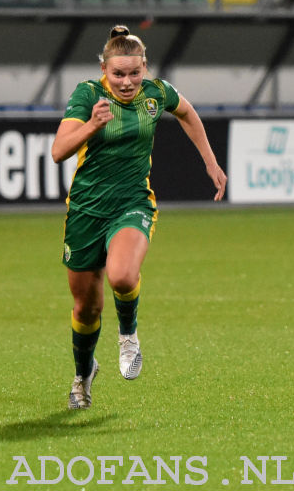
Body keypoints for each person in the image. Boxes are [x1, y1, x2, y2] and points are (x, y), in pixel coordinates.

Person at [50, 25, 227, 410]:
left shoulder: (156, 93)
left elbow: (188, 113)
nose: (127, 82)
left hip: (132, 203)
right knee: (86, 308)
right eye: (118, 74)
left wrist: (210, 162)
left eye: (134, 73)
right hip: (85, 211)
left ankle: (128, 335)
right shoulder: (88, 94)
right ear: (104, 70)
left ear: (144, 67)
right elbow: (58, 151)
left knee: (123, 275)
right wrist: (92, 125)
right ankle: (83, 376)